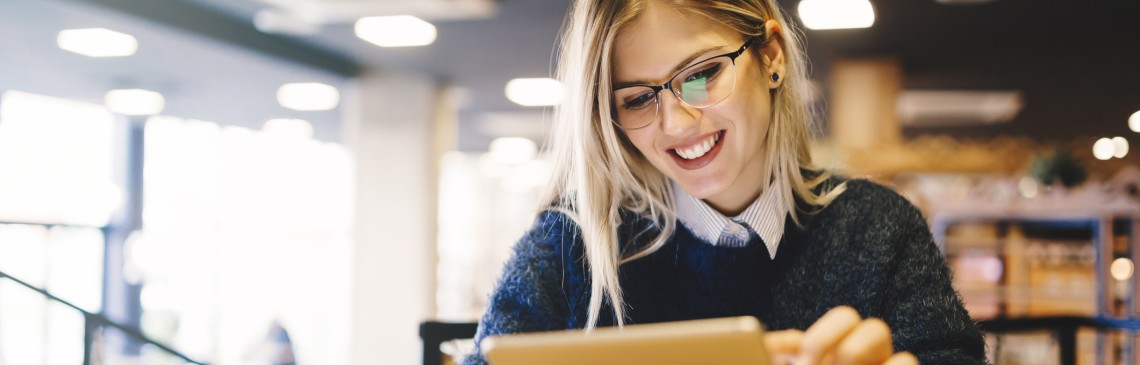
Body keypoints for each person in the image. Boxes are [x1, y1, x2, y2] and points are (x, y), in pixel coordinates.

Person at [463, 0, 986, 364]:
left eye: (700, 75)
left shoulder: (879, 232)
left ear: (772, 57)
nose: (676, 123)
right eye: (639, 99)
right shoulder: (569, 247)